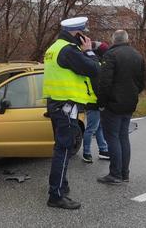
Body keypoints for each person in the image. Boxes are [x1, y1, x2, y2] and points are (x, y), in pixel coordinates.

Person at [43, 17, 100, 209]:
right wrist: (89, 51)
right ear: (79, 34)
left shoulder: (53, 48)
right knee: (65, 148)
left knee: (61, 147)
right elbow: (94, 69)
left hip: (56, 104)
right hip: (67, 106)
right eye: (84, 34)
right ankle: (56, 195)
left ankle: (61, 186)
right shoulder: (69, 50)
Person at [97, 30, 146, 184]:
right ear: (126, 39)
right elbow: (142, 82)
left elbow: (104, 82)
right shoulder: (138, 56)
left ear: (113, 40)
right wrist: (132, 94)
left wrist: (102, 103)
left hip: (112, 104)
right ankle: (124, 173)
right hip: (129, 103)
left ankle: (115, 174)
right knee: (123, 137)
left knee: (112, 138)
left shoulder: (110, 55)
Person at [82, 41, 110, 163]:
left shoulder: (90, 62)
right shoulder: (94, 65)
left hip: (92, 100)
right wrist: (101, 102)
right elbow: (97, 86)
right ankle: (86, 152)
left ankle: (103, 150)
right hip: (93, 101)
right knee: (91, 128)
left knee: (99, 128)